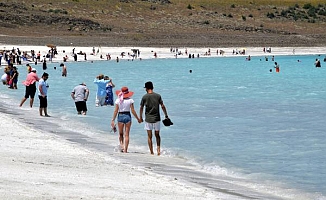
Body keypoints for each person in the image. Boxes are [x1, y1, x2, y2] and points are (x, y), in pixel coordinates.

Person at [139, 81, 169, 156]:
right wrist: (166, 115)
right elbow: (162, 106)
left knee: (149, 136)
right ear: (152, 87)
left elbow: (141, 108)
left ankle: (151, 152)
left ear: (146, 88)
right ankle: (158, 151)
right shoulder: (158, 96)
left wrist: (140, 117)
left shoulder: (144, 97)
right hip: (157, 118)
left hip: (148, 119)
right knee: (157, 135)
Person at [111, 87, 140, 153]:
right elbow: (133, 111)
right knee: (127, 134)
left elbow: (116, 111)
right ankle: (126, 150)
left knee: (121, 134)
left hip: (120, 115)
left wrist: (113, 119)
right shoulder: (130, 100)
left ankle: (122, 146)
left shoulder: (118, 100)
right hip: (128, 116)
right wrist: (138, 118)